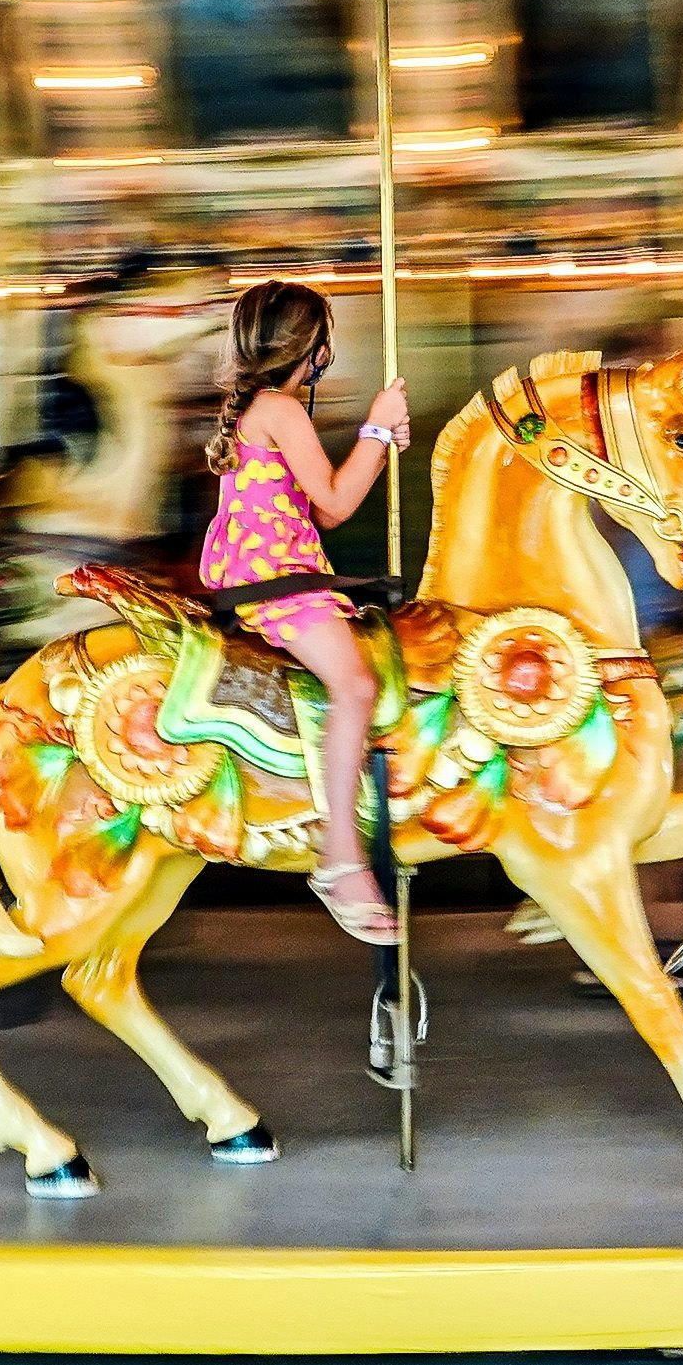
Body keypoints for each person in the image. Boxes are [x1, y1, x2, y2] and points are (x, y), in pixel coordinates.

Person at [199, 280, 412, 945]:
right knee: (356, 685)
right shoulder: (280, 408)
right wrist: (376, 424)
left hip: (277, 566)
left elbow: (320, 506)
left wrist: (380, 436)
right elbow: (338, 506)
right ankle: (339, 856)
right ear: (313, 348)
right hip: (275, 577)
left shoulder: (265, 408)